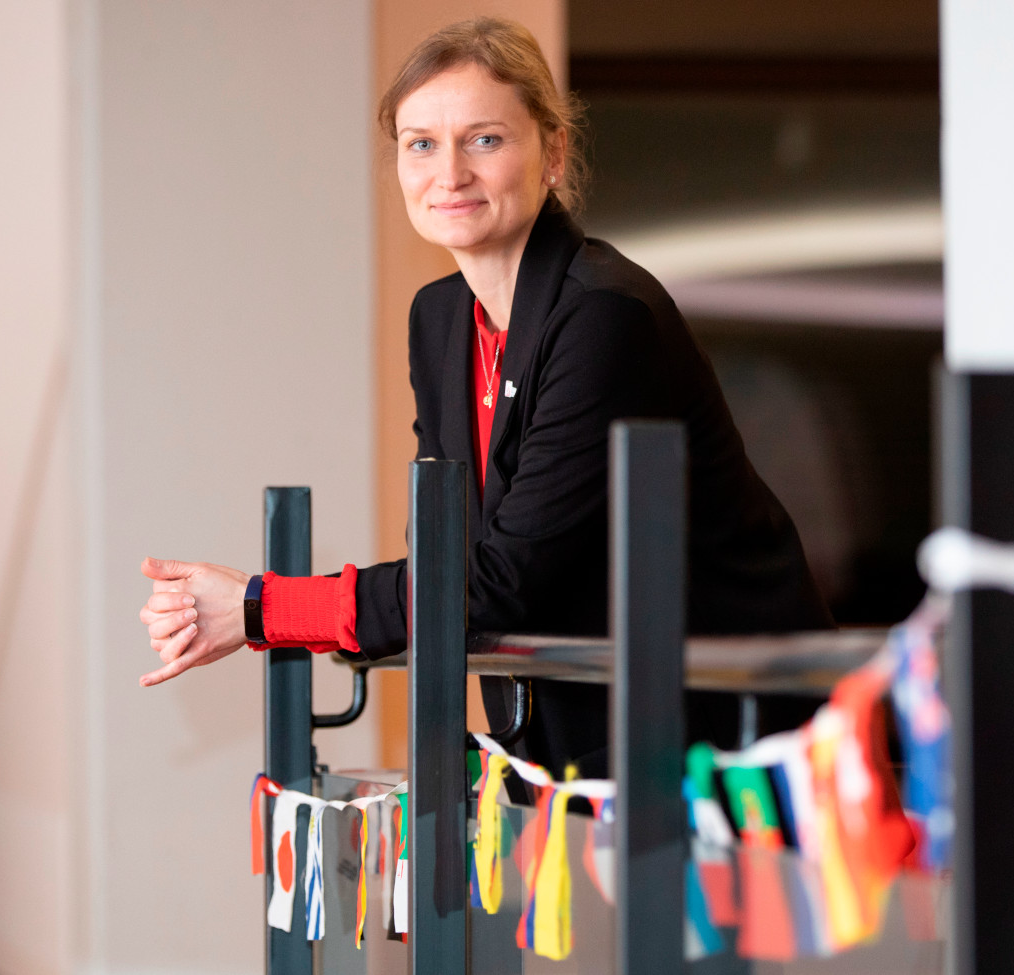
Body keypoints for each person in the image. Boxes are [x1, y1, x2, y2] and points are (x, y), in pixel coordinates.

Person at [138, 17, 832, 778]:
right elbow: (448, 556)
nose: (450, 174)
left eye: (485, 140)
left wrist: (260, 607)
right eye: (421, 143)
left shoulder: (604, 315)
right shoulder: (440, 321)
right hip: (577, 744)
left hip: (729, 749)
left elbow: (497, 582)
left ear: (555, 153)